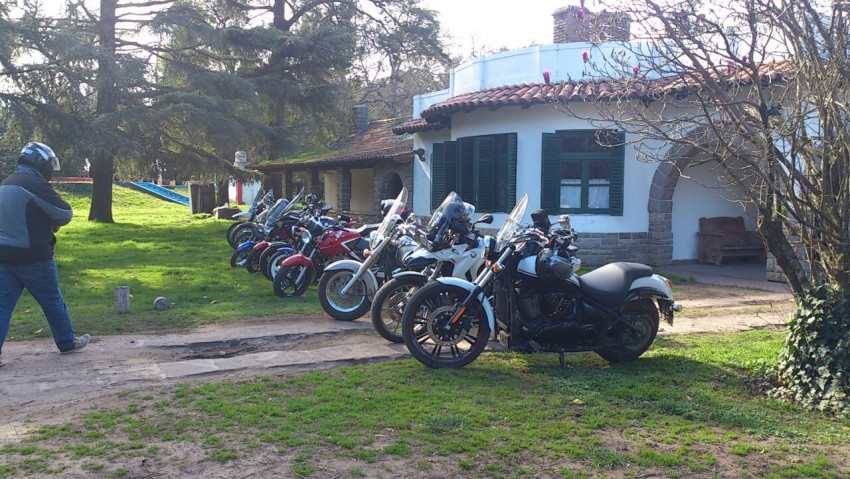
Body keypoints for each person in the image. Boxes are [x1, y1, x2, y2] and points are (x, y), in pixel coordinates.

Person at [0, 142, 90, 367]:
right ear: (41, 164)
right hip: (34, 256)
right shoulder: (34, 184)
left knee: (2, 306)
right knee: (52, 301)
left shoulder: (7, 183)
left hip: (4, 256)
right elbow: (64, 213)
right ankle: (67, 342)